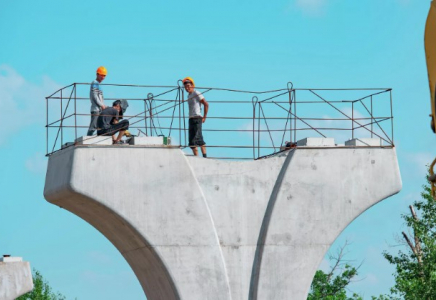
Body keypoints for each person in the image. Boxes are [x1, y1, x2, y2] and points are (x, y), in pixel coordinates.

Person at [183, 77, 209, 157]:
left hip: (197, 118)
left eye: (188, 86)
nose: (187, 88)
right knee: (191, 142)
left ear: (192, 85)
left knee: (199, 138)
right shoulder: (189, 96)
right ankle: (196, 158)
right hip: (191, 119)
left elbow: (206, 104)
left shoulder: (196, 93)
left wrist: (204, 117)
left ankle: (204, 157)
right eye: (185, 87)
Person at [87, 66, 107, 136]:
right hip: (96, 109)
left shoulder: (98, 84)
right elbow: (95, 96)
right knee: (93, 127)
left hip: (99, 109)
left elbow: (100, 97)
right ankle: (88, 138)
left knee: (99, 126)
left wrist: (103, 105)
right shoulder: (95, 83)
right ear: (97, 74)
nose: (103, 77)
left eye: (104, 76)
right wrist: (102, 105)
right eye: (102, 75)